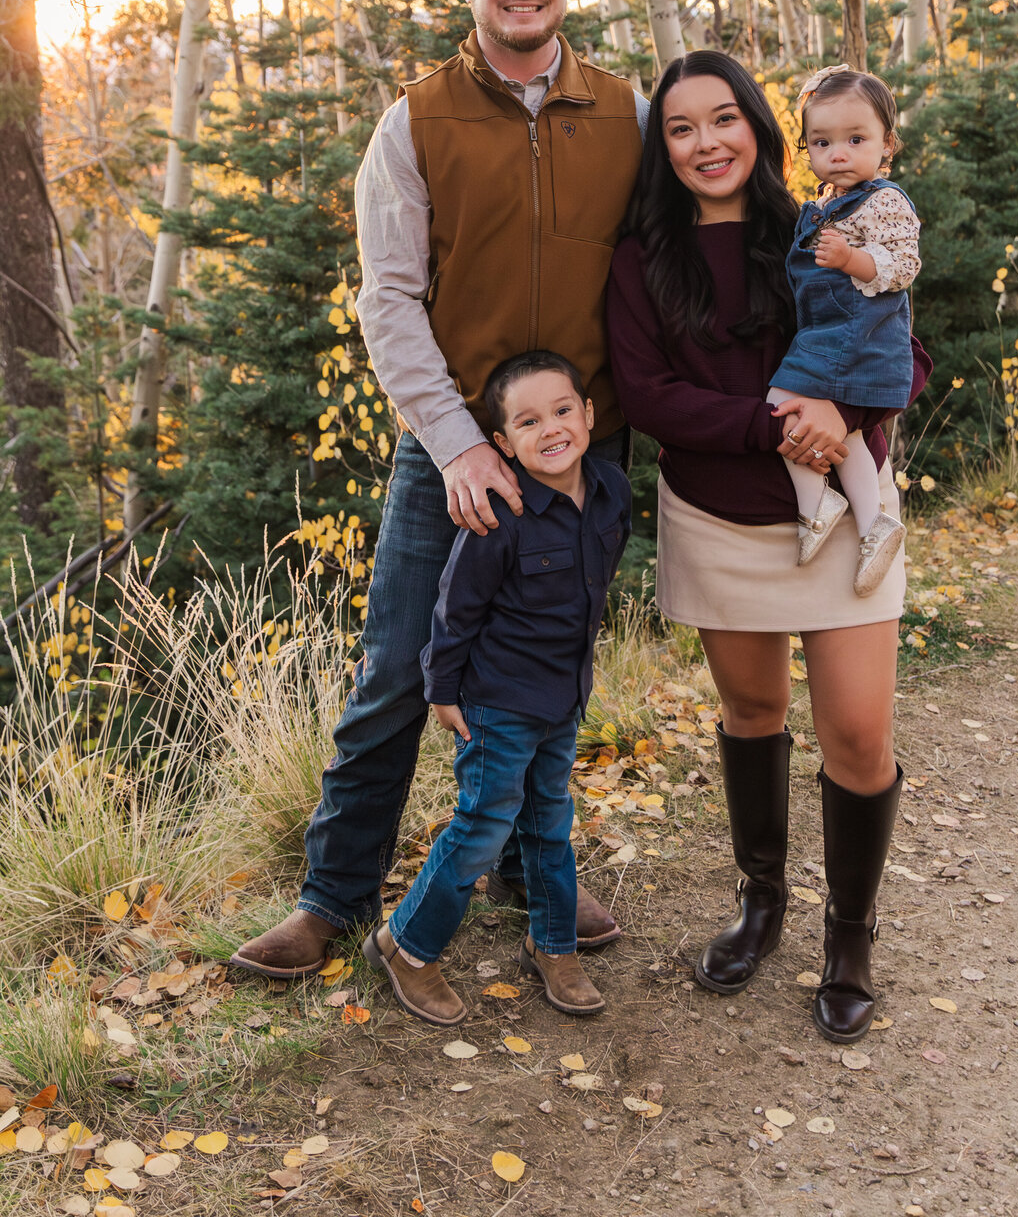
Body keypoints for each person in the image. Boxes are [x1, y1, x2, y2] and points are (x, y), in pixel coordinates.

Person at [232, 0, 646, 981]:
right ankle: (332, 899)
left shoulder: (624, 113)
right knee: (401, 672)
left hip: (583, 454)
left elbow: (667, 272)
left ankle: (526, 869)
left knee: (551, 668)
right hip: (455, 448)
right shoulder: (413, 122)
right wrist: (461, 444)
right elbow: (390, 300)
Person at [606, 51, 930, 1043]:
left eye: (724, 119)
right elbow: (647, 395)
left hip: (840, 509)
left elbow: (906, 349)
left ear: (758, 125)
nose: (707, 142)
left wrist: (840, 408)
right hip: (717, 515)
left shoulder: (823, 225)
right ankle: (762, 904)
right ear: (663, 147)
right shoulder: (640, 259)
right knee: (752, 710)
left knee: (859, 737)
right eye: (681, 127)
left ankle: (849, 938)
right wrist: (773, 425)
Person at [364, 351, 631, 1024]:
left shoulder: (609, 491)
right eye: (528, 421)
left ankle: (554, 945)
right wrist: (443, 688)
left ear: (589, 415)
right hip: (497, 699)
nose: (552, 429)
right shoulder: (499, 514)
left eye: (563, 410)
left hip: (562, 695)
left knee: (549, 821)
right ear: (504, 443)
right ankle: (409, 946)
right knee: (484, 823)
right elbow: (456, 607)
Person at [767, 64, 921, 596]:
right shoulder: (820, 206)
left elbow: (904, 266)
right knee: (840, 427)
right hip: (825, 328)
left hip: (858, 331)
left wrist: (853, 258)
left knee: (783, 402)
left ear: (887, 145)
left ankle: (819, 505)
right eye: (822, 141)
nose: (838, 153)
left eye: (856, 139)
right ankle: (872, 519)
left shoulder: (885, 201)